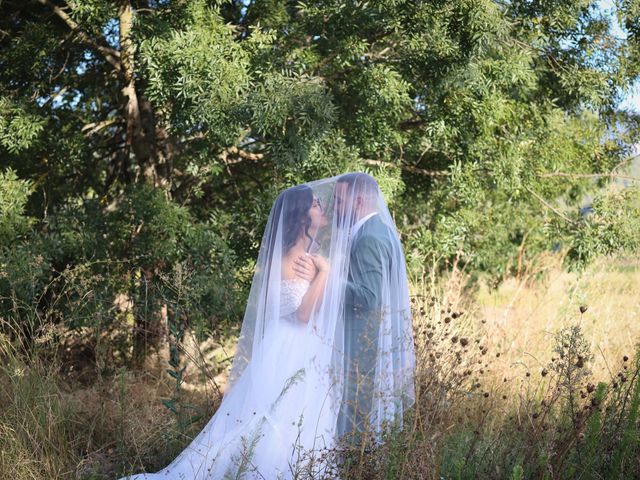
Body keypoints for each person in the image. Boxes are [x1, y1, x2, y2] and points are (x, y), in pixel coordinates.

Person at [119, 174, 415, 479]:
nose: (326, 206)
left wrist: (323, 272)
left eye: (333, 201)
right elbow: (303, 313)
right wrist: (324, 274)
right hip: (294, 347)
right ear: (302, 217)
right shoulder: (295, 259)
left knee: (295, 418)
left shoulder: (315, 255)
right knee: (278, 419)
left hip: (306, 348)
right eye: (317, 204)